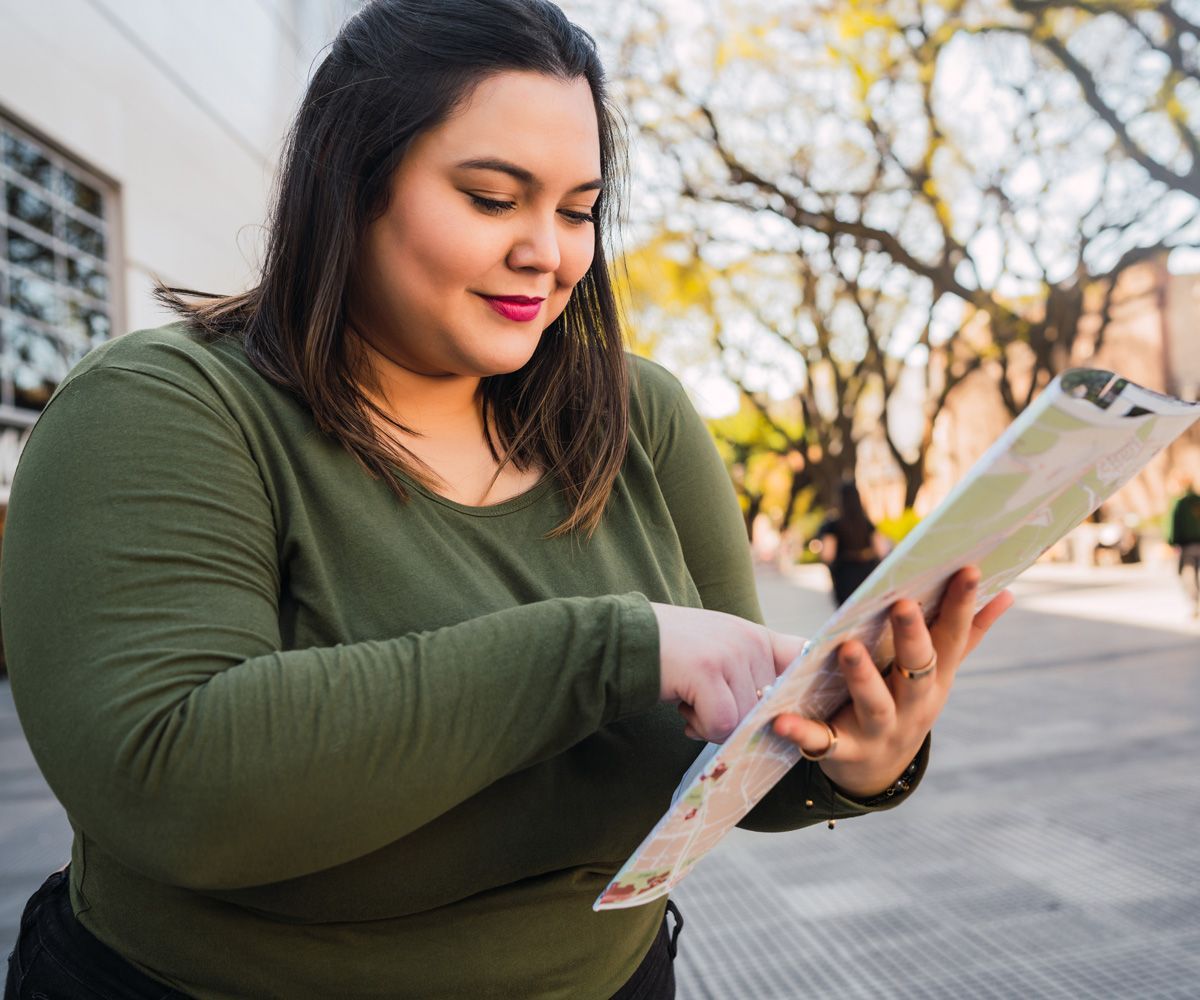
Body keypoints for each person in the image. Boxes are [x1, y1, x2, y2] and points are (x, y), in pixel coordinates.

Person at [0, 2, 1012, 998]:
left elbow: (721, 757)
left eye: (577, 209)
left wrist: (858, 754)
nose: (550, 252)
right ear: (346, 184)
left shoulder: (639, 415)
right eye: (493, 198)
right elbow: (171, 786)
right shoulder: (162, 409)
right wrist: (613, 649)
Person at [817, 480, 893, 606]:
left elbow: (827, 555)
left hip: (844, 575)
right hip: (867, 573)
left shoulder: (833, 525)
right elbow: (882, 551)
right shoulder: (867, 523)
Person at [1168, 478, 1200, 617]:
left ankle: (1195, 602)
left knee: (1188, 573)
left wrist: (1173, 541)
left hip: (1187, 544)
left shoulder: (1181, 503)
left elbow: (1175, 524)